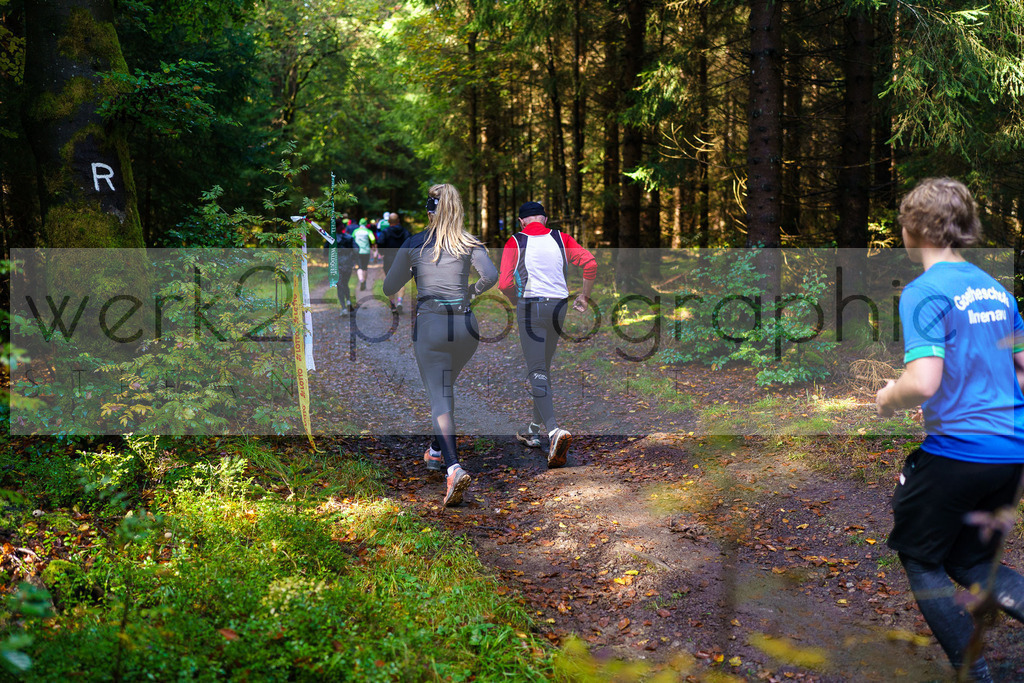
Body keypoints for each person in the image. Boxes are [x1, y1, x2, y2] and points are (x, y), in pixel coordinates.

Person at [876, 177, 1024, 683]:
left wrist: (887, 398)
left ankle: (977, 675)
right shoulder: (996, 289)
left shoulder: (923, 293)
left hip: (960, 451)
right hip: (1010, 451)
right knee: (973, 563)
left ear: (914, 228)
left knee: (920, 557)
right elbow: (1023, 367)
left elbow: (923, 381)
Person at [383, 184, 497, 506]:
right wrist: (469, 292)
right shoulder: (468, 242)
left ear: (429, 212)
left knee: (439, 398)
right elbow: (491, 276)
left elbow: (389, 286)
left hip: (432, 326)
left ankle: (453, 468)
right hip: (466, 328)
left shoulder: (415, 243)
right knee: (444, 390)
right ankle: (436, 451)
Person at [498, 201, 597, 468]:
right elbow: (590, 262)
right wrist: (584, 298)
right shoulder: (561, 238)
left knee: (537, 367)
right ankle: (532, 430)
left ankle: (553, 431)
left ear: (521, 222)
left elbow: (505, 283)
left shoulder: (515, 241)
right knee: (543, 366)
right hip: (558, 306)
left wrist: (515, 299)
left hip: (530, 306)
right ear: (545, 218)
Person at [379, 212, 412, 312]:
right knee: (401, 281)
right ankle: (400, 301)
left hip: (389, 258)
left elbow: (380, 242)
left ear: (389, 221)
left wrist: (382, 252)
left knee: (389, 280)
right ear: (398, 221)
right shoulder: (405, 231)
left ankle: (392, 305)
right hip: (402, 259)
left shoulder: (385, 232)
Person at [325, 223, 357, 315]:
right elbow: (356, 250)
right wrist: (353, 259)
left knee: (340, 285)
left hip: (336, 265)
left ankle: (344, 308)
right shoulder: (349, 237)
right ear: (343, 227)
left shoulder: (330, 239)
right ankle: (348, 302)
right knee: (345, 284)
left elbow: (325, 252)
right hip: (347, 264)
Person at [353, 218, 377, 292]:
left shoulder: (355, 231)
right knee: (365, 267)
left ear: (359, 223)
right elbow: (373, 239)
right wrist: (372, 244)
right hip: (366, 251)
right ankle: (364, 282)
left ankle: (361, 280)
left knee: (359, 267)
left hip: (358, 251)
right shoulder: (368, 231)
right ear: (366, 224)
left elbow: (352, 239)